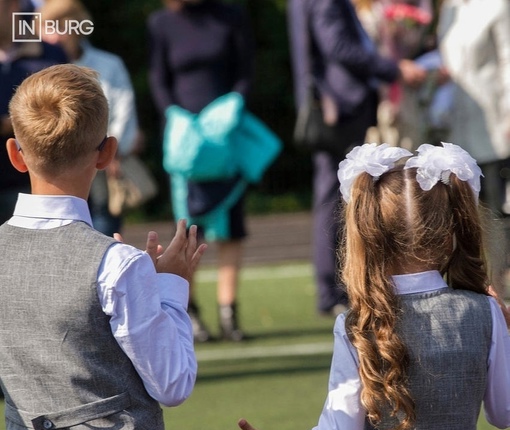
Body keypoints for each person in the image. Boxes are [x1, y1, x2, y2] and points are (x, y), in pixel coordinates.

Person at [215, 142, 510, 430]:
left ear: (370, 234)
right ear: (450, 226)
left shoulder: (359, 324)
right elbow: (503, 412)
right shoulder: (486, 310)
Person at [0, 64, 206, 430]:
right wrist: (169, 287)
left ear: (16, 154)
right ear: (107, 152)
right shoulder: (117, 263)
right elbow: (173, 384)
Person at [287, 0, 427, 317]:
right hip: (339, 106)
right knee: (335, 196)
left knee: (335, 193)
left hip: (335, 104)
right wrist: (392, 69)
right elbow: (338, 46)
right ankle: (333, 289)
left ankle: (335, 287)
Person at [147, 0, 255, 342]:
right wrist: (176, 119)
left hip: (225, 138)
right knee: (189, 230)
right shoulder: (161, 23)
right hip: (186, 143)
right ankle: (190, 312)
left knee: (231, 228)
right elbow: (158, 79)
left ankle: (229, 314)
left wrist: (230, 110)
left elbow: (244, 73)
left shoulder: (232, 16)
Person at [37, 0, 141, 237]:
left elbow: (124, 111)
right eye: (47, 27)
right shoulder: (38, 67)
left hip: (104, 163)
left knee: (103, 226)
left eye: (57, 26)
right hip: (55, 168)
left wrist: (110, 150)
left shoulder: (109, 65)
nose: (51, 35)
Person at [438, 0, 510, 296]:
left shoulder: (497, 5)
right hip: (458, 126)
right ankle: (478, 276)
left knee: (496, 204)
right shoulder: (450, 9)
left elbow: (508, 59)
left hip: (494, 124)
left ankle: (498, 277)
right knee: (466, 206)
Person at [0, 0, 67, 224]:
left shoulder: (51, 57)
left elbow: (72, 118)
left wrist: (22, 122)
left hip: (38, 187)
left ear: (13, 7)